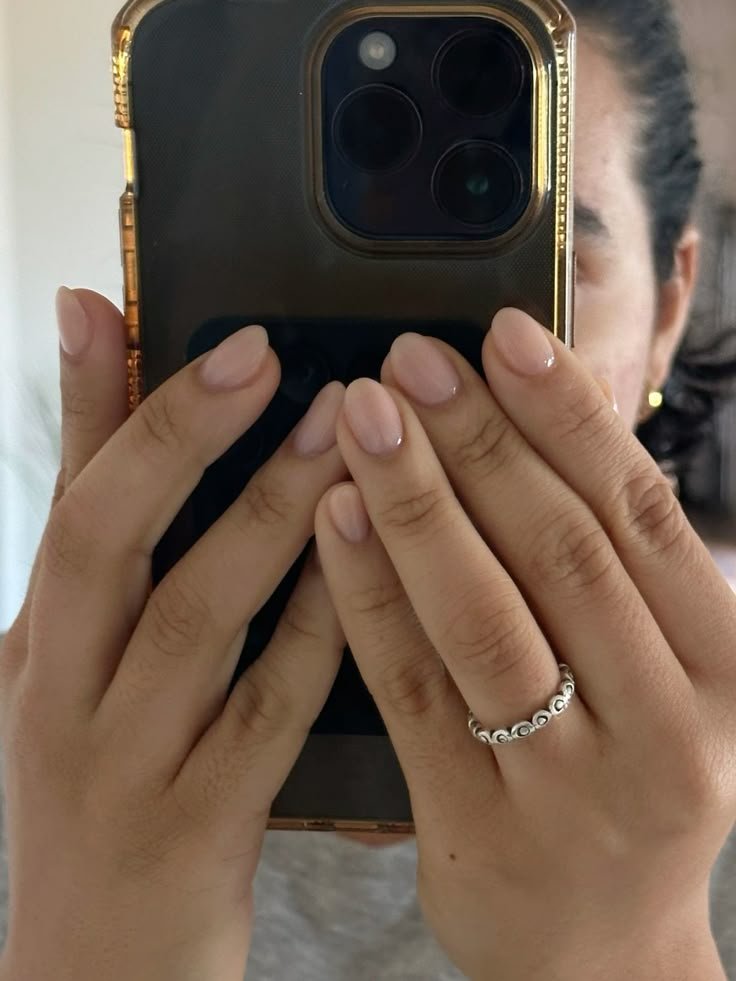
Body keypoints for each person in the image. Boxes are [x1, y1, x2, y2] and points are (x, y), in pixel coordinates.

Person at [1, 0, 735, 976]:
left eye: (541, 267)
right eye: (275, 257)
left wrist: (631, 951)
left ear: (667, 306)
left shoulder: (707, 799)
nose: (392, 369)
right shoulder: (35, 771)